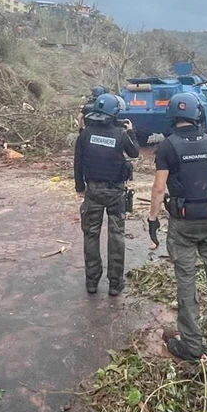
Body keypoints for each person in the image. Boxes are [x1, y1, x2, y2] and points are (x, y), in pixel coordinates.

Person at [148, 92, 207, 360]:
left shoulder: (167, 147)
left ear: (173, 117)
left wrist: (152, 220)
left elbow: (157, 188)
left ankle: (191, 344)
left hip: (183, 223)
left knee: (186, 282)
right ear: (197, 114)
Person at [74, 93, 139, 296]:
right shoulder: (120, 135)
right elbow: (135, 152)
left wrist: (80, 187)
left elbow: (77, 163)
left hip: (92, 190)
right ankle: (114, 283)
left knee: (91, 234)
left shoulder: (85, 134)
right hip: (115, 192)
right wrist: (132, 132)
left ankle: (92, 282)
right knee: (116, 236)